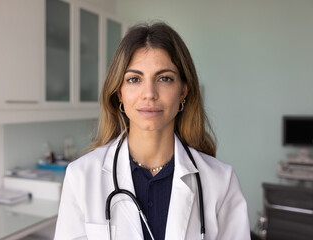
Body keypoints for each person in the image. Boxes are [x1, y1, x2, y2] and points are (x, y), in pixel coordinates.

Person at [54, 22, 250, 240]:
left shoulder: (220, 181)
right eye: (134, 79)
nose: (149, 93)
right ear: (119, 93)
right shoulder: (81, 176)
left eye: (164, 78)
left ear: (183, 91)